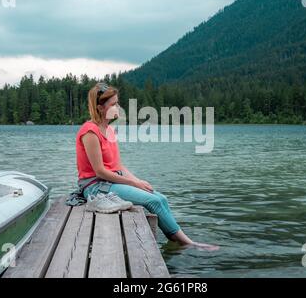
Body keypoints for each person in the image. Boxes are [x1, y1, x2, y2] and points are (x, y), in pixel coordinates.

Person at [75, 82, 219, 251]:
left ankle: (179, 241)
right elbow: (100, 171)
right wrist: (134, 184)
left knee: (162, 198)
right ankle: (188, 244)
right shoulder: (90, 132)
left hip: (112, 182)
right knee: (154, 201)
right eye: (114, 104)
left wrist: (138, 181)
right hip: (95, 186)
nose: (118, 107)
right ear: (100, 107)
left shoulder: (110, 130)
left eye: (118, 103)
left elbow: (118, 165)